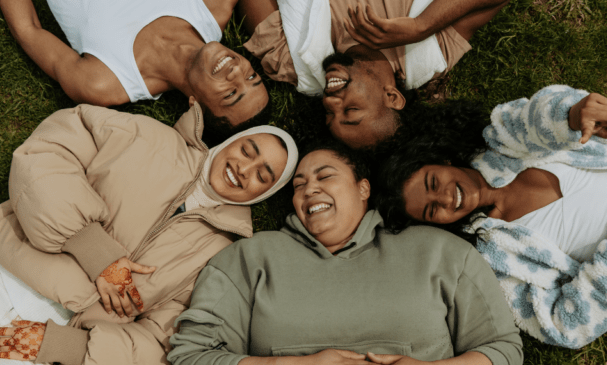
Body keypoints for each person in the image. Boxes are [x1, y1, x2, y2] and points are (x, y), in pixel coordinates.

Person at [374, 84, 607, 349]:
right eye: (431, 209)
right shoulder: (493, 259)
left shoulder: (504, 143)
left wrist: (574, 115)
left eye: (433, 182)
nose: (445, 198)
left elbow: (540, 115)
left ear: (442, 160)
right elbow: (563, 325)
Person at [0, 101, 298, 364]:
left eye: (263, 175)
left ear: (264, 194)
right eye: (247, 150)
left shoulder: (226, 255)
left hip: (49, 345)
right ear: (233, 140)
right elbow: (48, 151)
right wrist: (95, 251)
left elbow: (169, 341)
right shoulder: (146, 136)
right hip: (1, 283)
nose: (244, 167)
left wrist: (71, 348)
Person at [167, 142, 523, 365]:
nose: (310, 190)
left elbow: (502, 349)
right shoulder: (248, 259)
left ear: (363, 188)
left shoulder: (440, 251)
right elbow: (190, 355)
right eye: (299, 185)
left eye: (325, 176)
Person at [229, 0, 523, 149]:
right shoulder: (431, 52)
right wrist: (422, 26)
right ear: (392, 97)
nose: (330, 102)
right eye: (351, 111)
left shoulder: (289, 59)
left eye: (330, 114)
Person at [0, 0, 271, 142]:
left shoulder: (105, 82)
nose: (237, 73)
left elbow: (28, 29)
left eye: (230, 93)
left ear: (194, 105)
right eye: (252, 77)